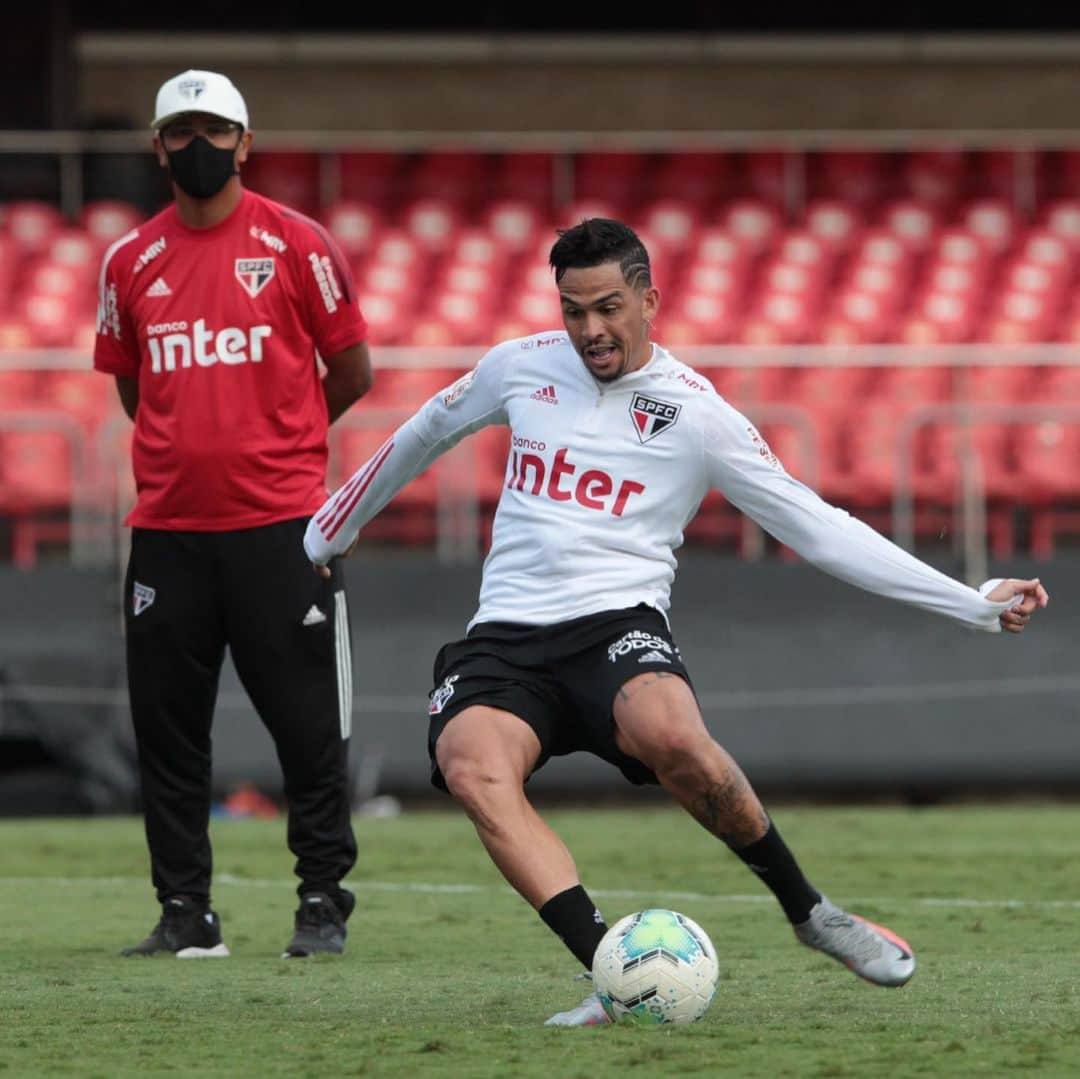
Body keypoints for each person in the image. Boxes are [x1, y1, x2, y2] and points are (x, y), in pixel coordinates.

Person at [304, 218, 1048, 1022]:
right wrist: (325, 532)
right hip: (507, 637)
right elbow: (423, 433)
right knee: (470, 763)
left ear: (650, 300)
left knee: (673, 733)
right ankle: (613, 973)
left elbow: (817, 524)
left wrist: (971, 604)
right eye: (573, 310)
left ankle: (811, 912)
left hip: (617, 625)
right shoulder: (517, 368)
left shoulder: (696, 413)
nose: (590, 330)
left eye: (609, 307)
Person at [94, 69, 373, 958]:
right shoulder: (128, 261)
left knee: (307, 728)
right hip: (169, 536)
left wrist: (277, 444)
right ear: (158, 146)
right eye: (180, 132)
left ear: (246, 143)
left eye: (215, 130)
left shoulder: (299, 246)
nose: (198, 147)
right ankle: (186, 913)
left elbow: (352, 370)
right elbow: (135, 383)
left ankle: (322, 902)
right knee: (168, 736)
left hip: (283, 530)